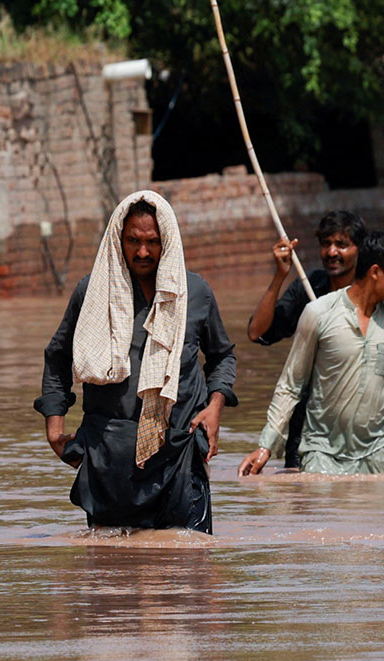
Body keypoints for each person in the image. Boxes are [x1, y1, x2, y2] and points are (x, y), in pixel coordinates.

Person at [35, 190, 237, 532]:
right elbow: (57, 358)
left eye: (152, 242)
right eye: (132, 240)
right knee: (110, 575)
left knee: (190, 571)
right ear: (118, 237)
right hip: (108, 457)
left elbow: (221, 357)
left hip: (180, 454)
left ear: (167, 240)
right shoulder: (92, 292)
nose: (142, 252)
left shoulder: (194, 292)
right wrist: (54, 429)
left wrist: (214, 407)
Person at [239, 231, 384, 476]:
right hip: (323, 453)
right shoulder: (318, 313)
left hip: (381, 454)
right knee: (326, 513)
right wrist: (266, 447)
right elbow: (291, 385)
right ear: (375, 272)